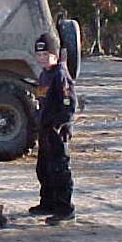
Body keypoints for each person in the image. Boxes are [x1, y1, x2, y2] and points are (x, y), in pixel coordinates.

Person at [30, 33, 78, 225]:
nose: (42, 59)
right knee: (44, 168)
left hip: (57, 131)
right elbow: (42, 102)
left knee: (59, 169)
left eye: (46, 55)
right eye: (39, 55)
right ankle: (48, 202)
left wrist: (58, 124)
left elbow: (69, 106)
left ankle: (65, 209)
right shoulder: (44, 75)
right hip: (45, 130)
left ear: (56, 55)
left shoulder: (60, 75)